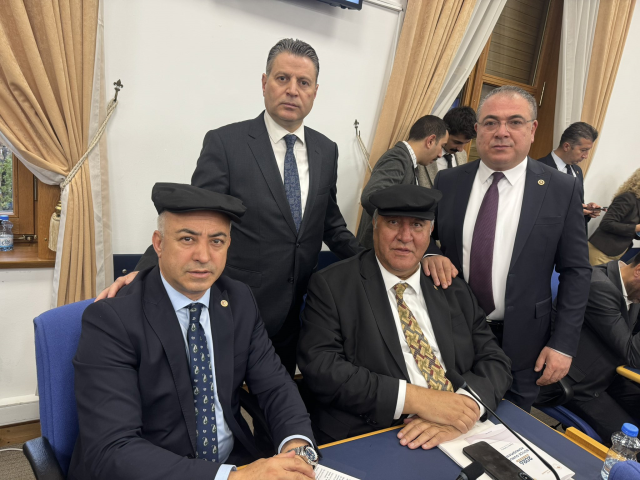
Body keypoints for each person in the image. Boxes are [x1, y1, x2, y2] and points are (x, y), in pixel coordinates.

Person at [97, 38, 362, 376]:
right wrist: (145, 270)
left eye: (304, 82)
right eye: (282, 78)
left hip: (294, 315)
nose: (292, 90)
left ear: (315, 91)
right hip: (235, 307)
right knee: (226, 398)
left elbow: (331, 225)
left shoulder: (327, 150)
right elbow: (194, 216)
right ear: (264, 83)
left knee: (276, 395)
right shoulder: (226, 144)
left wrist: (380, 260)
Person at [69, 183, 318, 480]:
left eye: (217, 241)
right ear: (159, 244)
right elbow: (113, 449)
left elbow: (275, 386)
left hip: (235, 463)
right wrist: (233, 478)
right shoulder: (112, 319)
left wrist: (296, 447)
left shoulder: (238, 299)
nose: (203, 255)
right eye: (187, 239)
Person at [298, 184, 512, 447]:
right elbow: (322, 369)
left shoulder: (451, 286)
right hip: (374, 432)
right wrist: (420, 400)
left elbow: (495, 359)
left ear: (430, 231)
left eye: (417, 225)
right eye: (393, 223)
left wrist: (466, 407)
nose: (405, 236)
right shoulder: (333, 285)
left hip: (458, 427)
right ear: (375, 225)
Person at [423, 85, 592, 411]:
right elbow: (424, 233)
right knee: (446, 419)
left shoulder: (561, 189)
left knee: (510, 427)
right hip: (453, 333)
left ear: (532, 129)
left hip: (524, 345)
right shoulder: (450, 181)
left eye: (514, 122)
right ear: (477, 130)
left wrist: (563, 344)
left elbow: (576, 271)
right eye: (490, 122)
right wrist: (430, 252)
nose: (501, 132)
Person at [537, 253, 640, 445]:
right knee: (634, 444)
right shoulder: (599, 287)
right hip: (579, 385)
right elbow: (633, 353)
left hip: (609, 376)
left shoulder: (631, 289)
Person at [356, 115, 449, 249]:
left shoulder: (408, 162)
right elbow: (370, 197)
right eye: (442, 146)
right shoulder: (397, 158)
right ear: (430, 141)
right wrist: (399, 225)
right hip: (375, 251)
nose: (440, 154)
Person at [537, 122, 602, 229]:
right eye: (583, 150)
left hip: (574, 235)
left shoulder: (577, 171)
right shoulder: (538, 169)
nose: (586, 156)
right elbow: (534, 210)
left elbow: (576, 205)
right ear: (566, 146)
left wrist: (587, 209)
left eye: (588, 151)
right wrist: (573, 211)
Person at [588, 168, 640, 265]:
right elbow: (606, 223)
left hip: (617, 252)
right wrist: (635, 228)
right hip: (601, 251)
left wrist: (637, 231)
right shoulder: (627, 198)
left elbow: (633, 232)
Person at [416, 106, 476, 188]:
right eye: (457, 142)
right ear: (446, 132)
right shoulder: (422, 153)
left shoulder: (462, 155)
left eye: (466, 143)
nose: (461, 149)